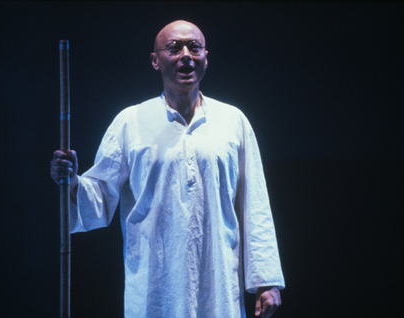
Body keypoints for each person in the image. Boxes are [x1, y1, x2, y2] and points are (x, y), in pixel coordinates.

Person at [51, 20, 284, 318]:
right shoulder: (131, 121)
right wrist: (71, 181)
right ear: (155, 60)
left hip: (219, 283)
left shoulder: (232, 120)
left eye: (194, 47)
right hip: (154, 287)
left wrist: (266, 281)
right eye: (174, 48)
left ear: (206, 58)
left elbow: (255, 202)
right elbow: (99, 194)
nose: (186, 54)